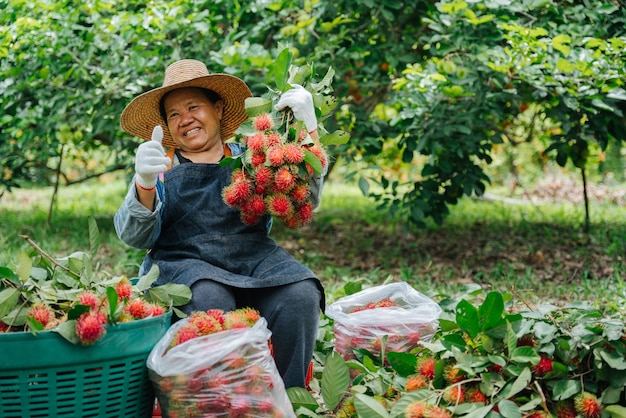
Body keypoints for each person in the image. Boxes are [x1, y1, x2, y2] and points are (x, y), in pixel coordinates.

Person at [114, 59, 325, 389]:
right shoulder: (160, 165)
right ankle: (217, 402)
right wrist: (143, 182)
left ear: (218, 108)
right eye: (173, 114)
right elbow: (134, 234)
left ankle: (289, 398)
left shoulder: (253, 156)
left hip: (254, 260)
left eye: (193, 107)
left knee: (301, 294)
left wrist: (308, 132)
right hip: (184, 265)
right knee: (211, 299)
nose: (185, 120)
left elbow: (304, 201)